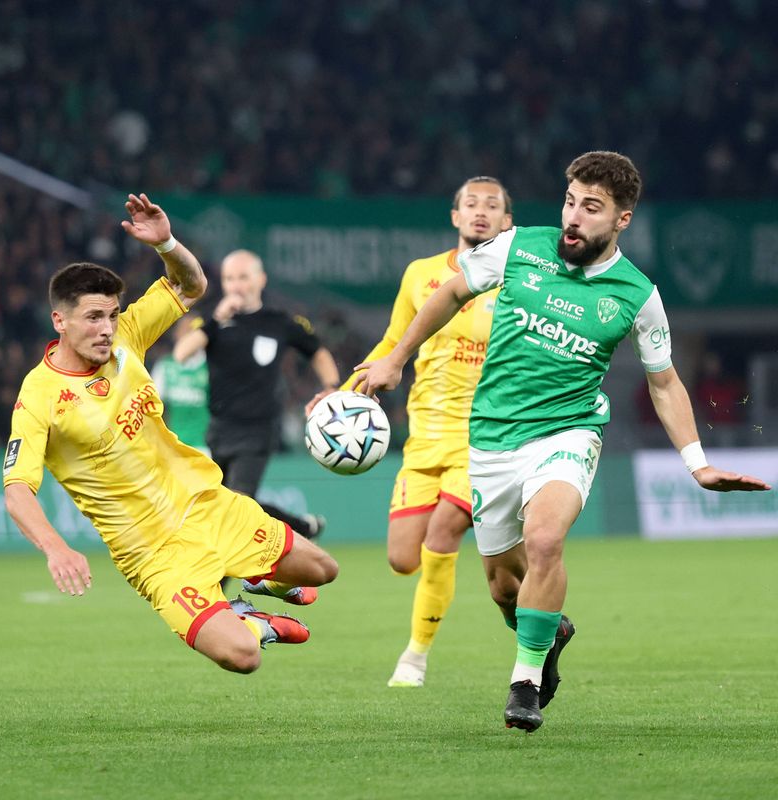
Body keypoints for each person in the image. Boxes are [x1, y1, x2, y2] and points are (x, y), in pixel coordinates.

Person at [350, 152, 770, 730]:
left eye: (591, 208)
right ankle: (550, 634)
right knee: (502, 587)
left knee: (545, 539)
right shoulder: (520, 245)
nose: (573, 217)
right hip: (493, 436)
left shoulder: (637, 295)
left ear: (621, 220)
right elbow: (447, 294)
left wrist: (696, 464)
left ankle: (523, 683)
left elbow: (665, 381)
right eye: (570, 201)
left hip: (569, 432)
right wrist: (397, 359)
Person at [3, 194, 338, 673]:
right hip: (153, 554)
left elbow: (191, 285)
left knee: (324, 570)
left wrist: (167, 244)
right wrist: (57, 549)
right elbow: (17, 492)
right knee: (243, 658)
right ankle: (252, 622)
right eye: (94, 317)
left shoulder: (126, 338)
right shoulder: (39, 396)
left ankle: (259, 581)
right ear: (60, 321)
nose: (107, 328)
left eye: (113, 314)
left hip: (207, 504)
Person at [335, 176, 513, 689]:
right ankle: (508, 549)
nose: (480, 212)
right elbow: (394, 342)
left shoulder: (519, 279)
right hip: (424, 438)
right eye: (470, 204)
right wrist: (344, 392)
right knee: (401, 558)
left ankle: (414, 657)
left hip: (484, 436)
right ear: (454, 216)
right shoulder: (421, 274)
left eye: (492, 206)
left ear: (507, 223)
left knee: (443, 534)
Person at [174, 250, 339, 540]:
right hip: (219, 429)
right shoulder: (213, 320)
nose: (235, 285)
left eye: (242, 277)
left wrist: (332, 388)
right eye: (229, 278)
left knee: (237, 503)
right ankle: (298, 526)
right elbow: (181, 353)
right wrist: (216, 320)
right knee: (224, 512)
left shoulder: (280, 321)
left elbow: (318, 351)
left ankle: (294, 532)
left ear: (260, 280)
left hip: (258, 429)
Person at [151, 315, 210, 453]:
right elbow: (152, 406)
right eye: (185, 331)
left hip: (204, 447)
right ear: (176, 334)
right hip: (173, 446)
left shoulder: (211, 367)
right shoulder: (165, 366)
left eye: (193, 331)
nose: (189, 336)